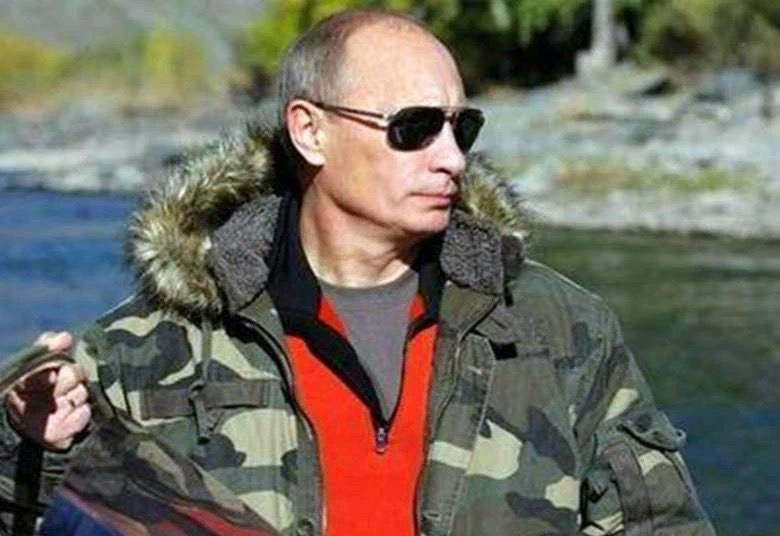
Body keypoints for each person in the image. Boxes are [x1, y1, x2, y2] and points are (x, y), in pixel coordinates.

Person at [0, 9, 714, 536]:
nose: (451, 158)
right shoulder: (143, 351)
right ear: (310, 131)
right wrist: (26, 448)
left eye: (462, 128)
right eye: (414, 128)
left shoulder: (561, 330)